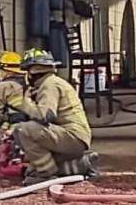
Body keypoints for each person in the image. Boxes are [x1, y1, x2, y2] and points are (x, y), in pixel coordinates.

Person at [15, 48, 98, 185]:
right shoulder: (54, 82)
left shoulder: (49, 85)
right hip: (75, 137)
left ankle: (46, 175)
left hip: (72, 136)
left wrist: (27, 102)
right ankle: (83, 164)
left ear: (33, 73)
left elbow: (45, 116)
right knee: (33, 167)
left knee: (22, 130)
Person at [0, 51, 28, 140]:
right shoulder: (30, 83)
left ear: (5, 70)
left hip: (12, 131)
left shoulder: (4, 86)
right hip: (32, 129)